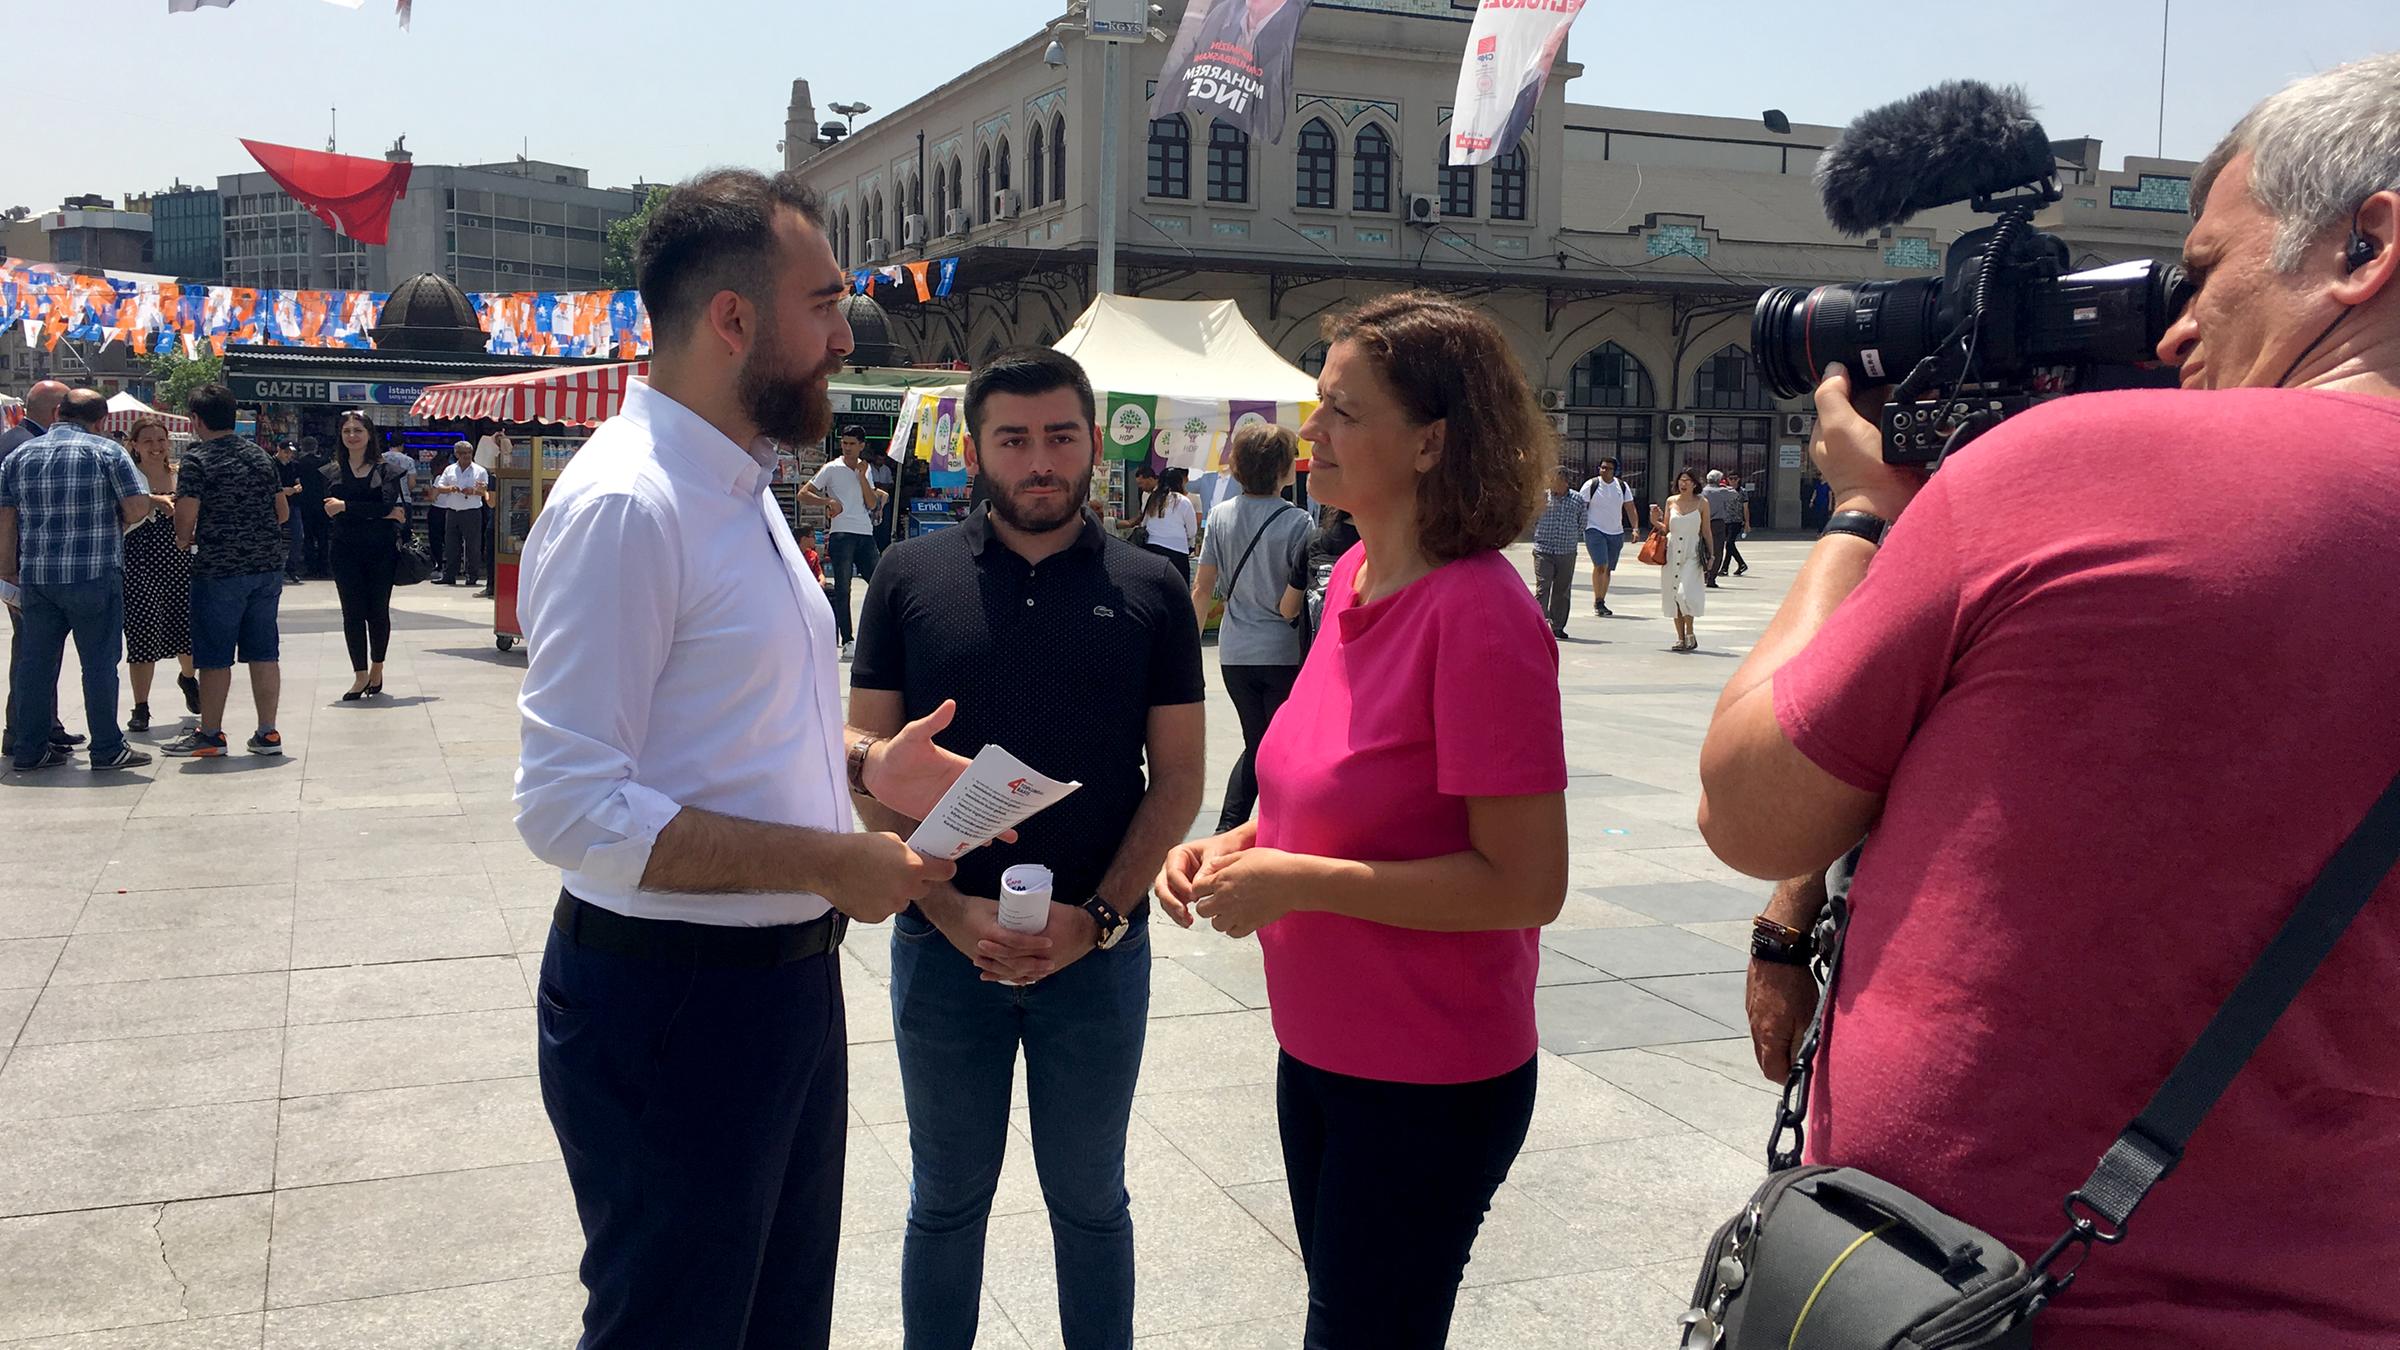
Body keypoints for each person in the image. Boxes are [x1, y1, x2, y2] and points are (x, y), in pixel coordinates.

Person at [1700, 54, 2400, 1350]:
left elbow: (1751, 802)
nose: (2174, 329)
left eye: (2202, 273)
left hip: (1975, 1301)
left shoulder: (2070, 471)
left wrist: (1866, 512)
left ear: (2367, 245)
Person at [513, 167, 981, 1350]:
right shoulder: (634, 502)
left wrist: (866, 767)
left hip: (772, 994)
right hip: (673, 1006)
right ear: (733, 320)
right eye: (823, 304)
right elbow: (572, 807)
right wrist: (831, 860)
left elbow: (719, 722)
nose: (843, 333)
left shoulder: (740, 487)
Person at [1158, 293, 1568, 1348]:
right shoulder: (1347, 576)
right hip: (1326, 1051)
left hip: (1430, 1074)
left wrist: (1293, 883)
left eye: (1342, 411)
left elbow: (1526, 884)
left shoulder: (1480, 612)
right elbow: (1319, 800)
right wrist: (1235, 843)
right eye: (1317, 407)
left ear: (1431, 440)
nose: (1312, 432)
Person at [850, 347, 1206, 1350]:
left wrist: (1099, 918)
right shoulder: (908, 578)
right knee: (947, 1199)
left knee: (1091, 1200)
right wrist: (944, 909)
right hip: (942, 947)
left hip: (1096, 954)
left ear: (1094, 443)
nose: (1039, 461)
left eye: (1059, 437)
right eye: (1014, 440)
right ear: (974, 452)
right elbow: (867, 768)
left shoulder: (1151, 585)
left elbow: (1176, 774)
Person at [0, 389, 157, 772]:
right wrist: (119, 520)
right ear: (101, 420)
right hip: (94, 573)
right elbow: (137, 505)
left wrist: (7, 568)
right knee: (99, 664)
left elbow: (5, 517)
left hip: (36, 576)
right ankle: (106, 747)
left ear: (58, 413)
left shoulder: (21, 455)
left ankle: (29, 747)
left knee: (35, 665)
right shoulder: (107, 452)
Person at [1193, 423, 1311, 831]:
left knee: (1258, 741)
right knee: (1272, 746)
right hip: (1281, 651)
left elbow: (1203, 587)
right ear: (1283, 469)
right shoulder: (1298, 523)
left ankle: (1235, 829)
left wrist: (1189, 650)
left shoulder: (1220, 517)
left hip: (1234, 652)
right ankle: (1244, 829)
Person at [164, 383, 289, 759]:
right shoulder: (260, 456)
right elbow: (281, 512)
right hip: (266, 566)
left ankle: (212, 733)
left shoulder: (198, 459)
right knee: (264, 652)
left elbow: (185, 515)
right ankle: (268, 732)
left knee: (215, 656)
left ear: (196, 420)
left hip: (218, 569)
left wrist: (184, 539)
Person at [0, 379, 80, 760]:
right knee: (34, 651)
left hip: (17, 566)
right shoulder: (27, 448)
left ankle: (44, 725)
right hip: (24, 566)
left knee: (36, 649)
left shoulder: (10, 441)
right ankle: (23, 732)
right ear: (57, 414)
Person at [323, 411, 408, 701]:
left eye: (357, 430)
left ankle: (377, 667)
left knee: (377, 611)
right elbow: (330, 509)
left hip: (380, 550)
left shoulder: (387, 470)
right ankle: (359, 674)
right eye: (346, 431)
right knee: (352, 613)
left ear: (369, 434)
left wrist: (347, 506)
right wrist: (376, 512)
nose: (352, 436)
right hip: (345, 549)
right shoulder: (333, 471)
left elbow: (390, 507)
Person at [120, 417, 197, 732]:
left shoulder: (181, 475)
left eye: (160, 440)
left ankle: (189, 678)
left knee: (186, 628)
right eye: (148, 441)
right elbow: (119, 511)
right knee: (141, 634)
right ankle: (141, 706)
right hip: (138, 561)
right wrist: (152, 502)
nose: (156, 447)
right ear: (135, 445)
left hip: (179, 560)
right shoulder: (128, 476)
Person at [795, 423, 886, 659]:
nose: (847, 448)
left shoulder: (865, 469)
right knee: (843, 587)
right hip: (841, 534)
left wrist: (862, 477)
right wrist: (827, 502)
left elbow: (872, 503)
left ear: (861, 446)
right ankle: (848, 640)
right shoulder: (831, 468)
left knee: (880, 583)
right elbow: (803, 493)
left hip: (865, 533)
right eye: (844, 443)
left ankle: (883, 635)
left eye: (852, 444)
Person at [1279, 504, 1358, 647]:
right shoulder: (1384, 545)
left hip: (1316, 658)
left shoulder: (1316, 539)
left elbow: (1288, 609)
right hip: (1360, 660)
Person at [1653, 468, 1711, 652]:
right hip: (1672, 551)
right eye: (1681, 480)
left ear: (1695, 483)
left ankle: (1690, 633)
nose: (1683, 483)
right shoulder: (1671, 501)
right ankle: (1680, 637)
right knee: (1673, 595)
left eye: (1687, 480)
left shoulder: (1702, 503)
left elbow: (1706, 531)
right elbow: (1667, 529)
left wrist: (1713, 555)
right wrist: (1655, 522)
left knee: (1684, 594)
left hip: (1692, 552)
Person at [1576, 456, 1641, 617]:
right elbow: (1580, 506)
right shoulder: (1591, 485)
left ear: (1615, 471)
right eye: (1602, 467)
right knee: (1601, 565)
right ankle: (1598, 601)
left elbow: (1630, 507)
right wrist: (1577, 526)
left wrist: (1635, 528)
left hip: (1616, 532)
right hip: (1594, 529)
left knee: (1608, 569)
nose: (1604, 471)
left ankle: (1602, 600)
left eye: (1608, 468)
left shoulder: (1621, 486)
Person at [1530, 464, 1585, 639]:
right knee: (1543, 586)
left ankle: (1557, 625)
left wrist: (1571, 537)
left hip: (1566, 550)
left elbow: (1582, 523)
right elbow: (1533, 518)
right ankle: (1539, 623)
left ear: (1566, 482)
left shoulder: (1577, 499)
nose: (1555, 484)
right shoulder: (1542, 497)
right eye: (1552, 480)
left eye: (1559, 481)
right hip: (1543, 549)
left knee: (1562, 590)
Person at [433, 439, 492, 589]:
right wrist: (451, 488)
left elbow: (484, 490)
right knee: (452, 545)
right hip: (453, 511)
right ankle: (449, 575)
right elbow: (440, 487)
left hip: (471, 511)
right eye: (463, 453)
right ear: (457, 454)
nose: (467, 456)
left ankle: (472, 576)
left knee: (472, 546)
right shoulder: (450, 469)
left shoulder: (480, 470)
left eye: (469, 453)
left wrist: (472, 491)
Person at [1134, 465, 1199, 582]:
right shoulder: (1183, 501)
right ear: (1180, 483)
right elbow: (1192, 532)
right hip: (1177, 551)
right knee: (1178, 589)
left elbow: (1144, 523)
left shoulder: (1152, 499)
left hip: (1151, 549)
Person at [272, 442, 308, 585]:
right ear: (279, 450)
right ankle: (275, 567)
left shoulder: (294, 465)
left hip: (293, 504)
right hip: (275, 505)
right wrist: (282, 491)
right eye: (286, 452)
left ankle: (291, 567)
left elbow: (298, 481)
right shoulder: (271, 464)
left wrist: (297, 487)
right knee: (275, 536)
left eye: (291, 452)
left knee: (298, 536)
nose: (288, 455)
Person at [1699, 468, 1741, 586]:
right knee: (1717, 551)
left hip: (1702, 523)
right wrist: (1725, 486)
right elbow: (1735, 494)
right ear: (1719, 480)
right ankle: (1712, 578)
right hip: (1717, 524)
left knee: (1703, 549)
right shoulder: (1722, 491)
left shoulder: (1702, 492)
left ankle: (1703, 575)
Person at [1721, 470, 1752, 577]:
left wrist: (1747, 523)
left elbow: (1746, 508)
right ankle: (1735, 566)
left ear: (1739, 479)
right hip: (1725, 520)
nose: (1733, 481)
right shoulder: (1724, 491)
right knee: (1729, 545)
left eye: (1735, 479)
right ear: (1727, 480)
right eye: (1731, 479)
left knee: (1729, 543)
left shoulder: (1742, 492)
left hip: (1736, 521)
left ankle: (1730, 566)